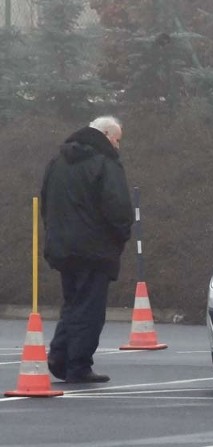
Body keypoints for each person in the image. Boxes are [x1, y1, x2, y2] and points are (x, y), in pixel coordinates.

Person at [40, 116, 134, 383]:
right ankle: (78, 365)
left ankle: (60, 356)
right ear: (105, 135)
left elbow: (46, 203)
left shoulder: (57, 162)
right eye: (117, 140)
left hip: (62, 247)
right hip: (95, 249)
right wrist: (121, 236)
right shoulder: (105, 163)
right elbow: (118, 208)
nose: (118, 146)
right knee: (90, 308)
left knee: (72, 303)